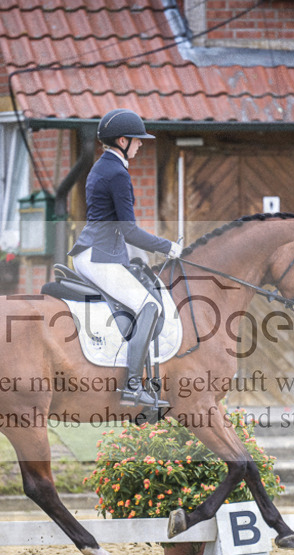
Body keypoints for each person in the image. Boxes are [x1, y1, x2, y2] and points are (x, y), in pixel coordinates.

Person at [69, 108, 182, 407]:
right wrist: (167, 246)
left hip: (93, 252)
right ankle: (132, 386)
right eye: (137, 140)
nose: (141, 144)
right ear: (122, 140)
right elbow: (129, 231)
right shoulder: (117, 172)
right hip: (99, 256)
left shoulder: (100, 166)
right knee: (149, 305)